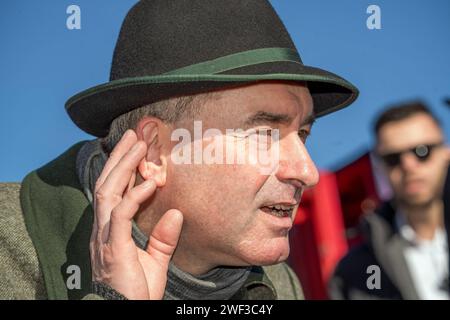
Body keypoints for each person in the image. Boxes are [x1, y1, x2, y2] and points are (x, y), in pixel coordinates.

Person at [0, 0, 358, 300]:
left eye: (303, 134)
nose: (307, 171)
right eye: (264, 133)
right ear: (154, 152)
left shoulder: (279, 283)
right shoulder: (8, 249)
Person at [329, 101, 450, 300]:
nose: (409, 166)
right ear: (380, 167)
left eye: (422, 151)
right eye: (393, 158)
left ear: (446, 153)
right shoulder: (354, 272)